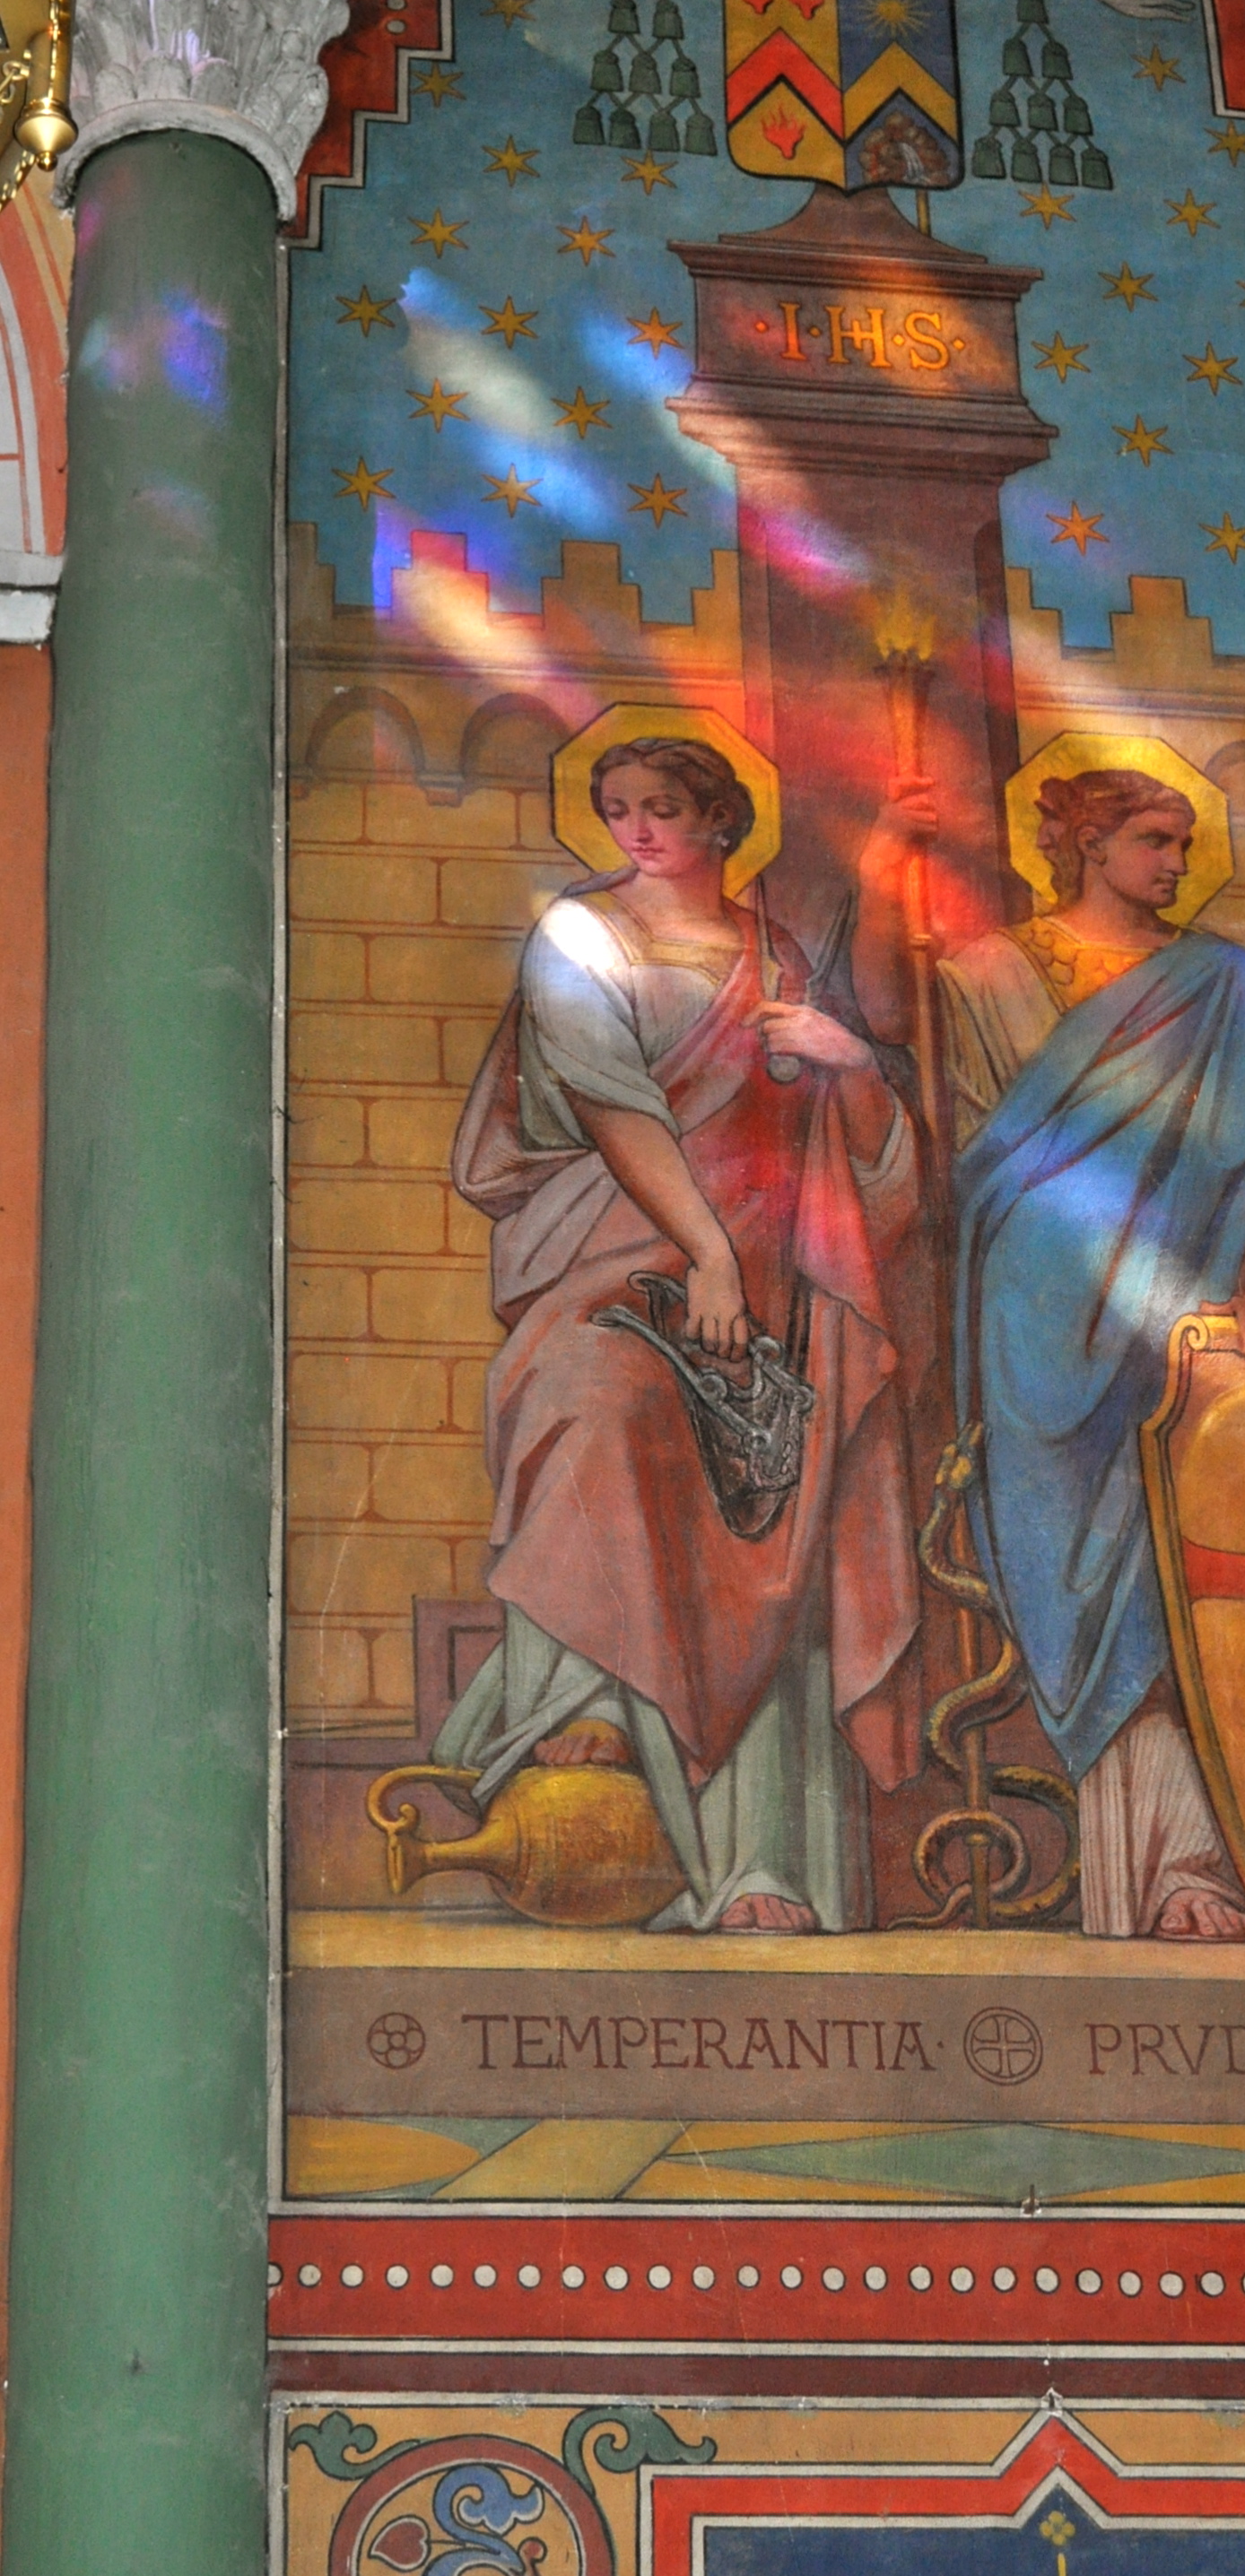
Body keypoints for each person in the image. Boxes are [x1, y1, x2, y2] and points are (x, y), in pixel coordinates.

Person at [855, 764, 1245, 1943]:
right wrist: (878, 875)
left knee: (1243, 1561)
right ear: (1087, 844)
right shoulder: (992, 974)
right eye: (1154, 840)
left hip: (1209, 1315)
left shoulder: (1226, 984)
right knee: (1117, 1580)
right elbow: (900, 1047)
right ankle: (1171, 1859)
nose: (1176, 862)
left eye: (1183, 841)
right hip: (1047, 1319)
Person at [438, 735, 923, 1933]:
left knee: (770, 1497)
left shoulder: (781, 955)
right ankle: (590, 1734)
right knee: (598, 1403)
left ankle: (758, 1862)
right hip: (613, 1262)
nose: (637, 829)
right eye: (618, 809)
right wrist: (702, 1251)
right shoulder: (579, 936)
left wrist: (854, 1064)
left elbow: (861, 1158)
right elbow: (611, 1103)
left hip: (769, 1285)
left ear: (721, 821)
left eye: (662, 807)